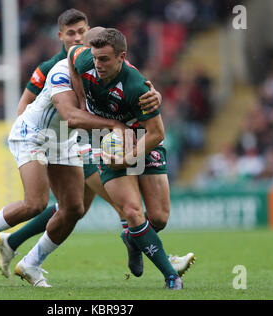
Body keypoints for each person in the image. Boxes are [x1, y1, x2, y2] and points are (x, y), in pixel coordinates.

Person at [0, 10, 195, 282]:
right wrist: (76, 102)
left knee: (81, 208)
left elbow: (150, 121)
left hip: (116, 135)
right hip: (79, 138)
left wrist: (152, 96)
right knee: (107, 208)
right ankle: (166, 267)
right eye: (72, 34)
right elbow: (30, 106)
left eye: (82, 33)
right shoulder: (49, 66)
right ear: (61, 36)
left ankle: (16, 244)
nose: (78, 40)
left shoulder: (104, 62)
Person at [0, 27, 133, 281]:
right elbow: (71, 116)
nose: (95, 60)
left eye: (99, 55)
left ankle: (31, 264)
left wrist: (153, 95)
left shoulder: (104, 73)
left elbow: (133, 86)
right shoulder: (61, 71)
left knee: (74, 208)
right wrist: (114, 126)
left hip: (63, 142)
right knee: (35, 203)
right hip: (34, 134)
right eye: (91, 54)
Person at [67, 28, 188, 289]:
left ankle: (132, 239)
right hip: (106, 139)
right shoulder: (85, 59)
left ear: (122, 57)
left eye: (105, 60)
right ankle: (171, 276)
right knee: (133, 211)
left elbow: (157, 133)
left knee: (158, 218)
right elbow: (71, 55)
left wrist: (128, 159)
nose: (97, 64)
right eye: (96, 58)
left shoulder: (137, 87)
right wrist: (80, 99)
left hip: (143, 137)